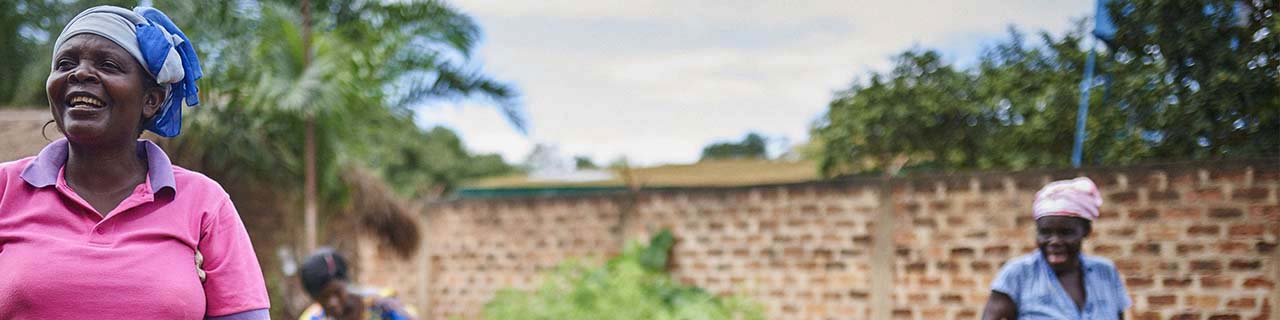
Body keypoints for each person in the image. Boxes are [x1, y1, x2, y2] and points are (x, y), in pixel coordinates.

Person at [0, 5, 269, 319]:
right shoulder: (6, 190)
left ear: (151, 100)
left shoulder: (203, 203)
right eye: (66, 63)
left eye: (109, 64)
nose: (80, 73)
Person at [982, 177, 1131, 320]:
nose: (1054, 241)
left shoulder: (1105, 272)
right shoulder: (1018, 274)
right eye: (1045, 233)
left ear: (1085, 231)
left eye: (1065, 233)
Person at [299, 249, 416, 320]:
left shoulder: (383, 306)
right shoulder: (313, 318)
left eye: (337, 292)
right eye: (323, 298)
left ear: (346, 283)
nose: (332, 302)